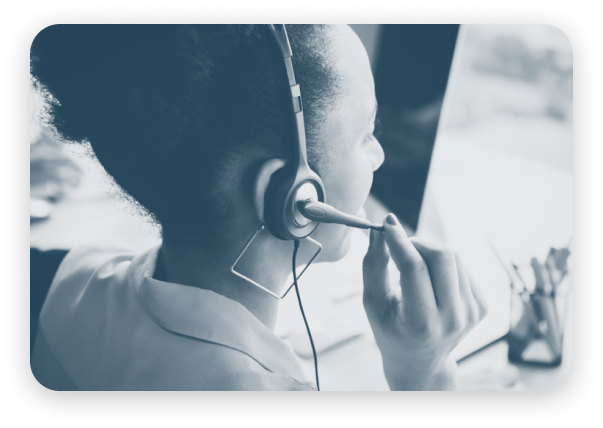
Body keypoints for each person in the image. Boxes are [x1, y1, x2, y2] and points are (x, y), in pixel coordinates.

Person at [30, 24, 488, 391]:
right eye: (366, 133)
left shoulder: (65, 279)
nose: (379, 155)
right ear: (292, 193)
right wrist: (425, 375)